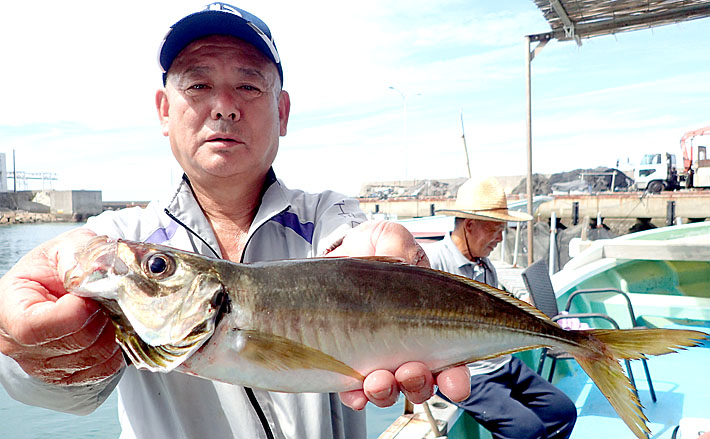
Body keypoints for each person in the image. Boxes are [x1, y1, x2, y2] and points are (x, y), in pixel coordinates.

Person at [0, 4, 471, 439]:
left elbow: (354, 246)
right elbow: (58, 393)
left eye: (248, 85)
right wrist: (30, 348)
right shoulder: (121, 242)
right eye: (198, 85)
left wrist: (387, 263)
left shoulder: (329, 217)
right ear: (165, 111)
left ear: (282, 111)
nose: (223, 106)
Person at [425, 177, 578, 439]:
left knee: (562, 412)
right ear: (470, 225)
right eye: (496, 229)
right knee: (526, 431)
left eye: (503, 230)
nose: (500, 238)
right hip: (466, 373)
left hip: (501, 363)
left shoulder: (486, 266)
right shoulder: (432, 262)